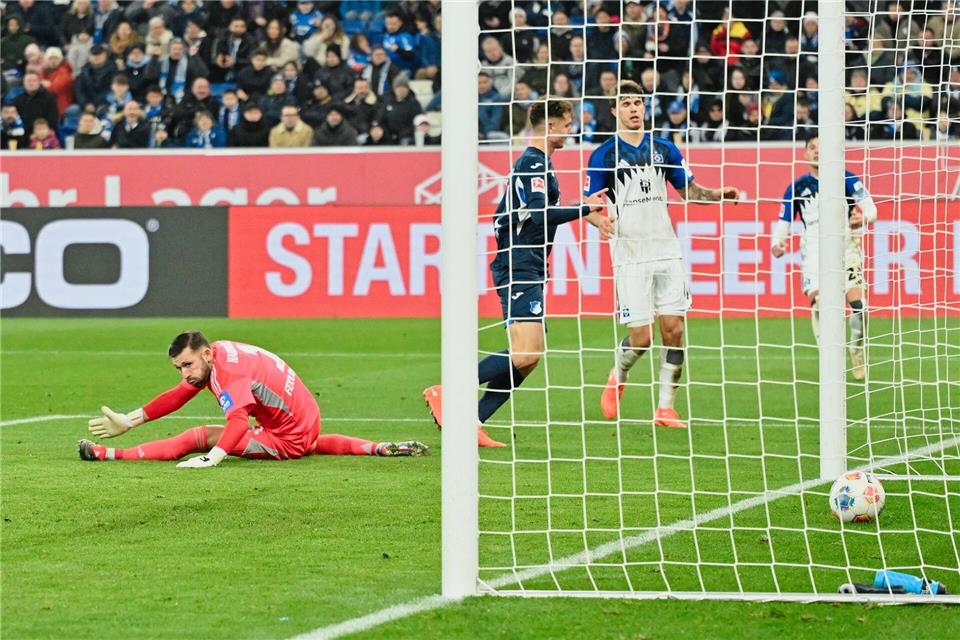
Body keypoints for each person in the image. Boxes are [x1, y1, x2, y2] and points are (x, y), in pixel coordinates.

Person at [423, 100, 612, 448]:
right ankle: (447, 392)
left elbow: (540, 210)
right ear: (551, 126)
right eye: (567, 124)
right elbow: (540, 214)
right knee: (525, 354)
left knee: (529, 358)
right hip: (519, 263)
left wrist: (590, 213)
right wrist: (587, 207)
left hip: (530, 264)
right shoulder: (532, 162)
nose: (570, 130)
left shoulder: (542, 165)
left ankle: (471, 422)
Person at [589, 81, 741, 427]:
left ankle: (665, 407)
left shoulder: (664, 149)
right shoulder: (604, 155)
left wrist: (718, 194)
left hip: (666, 250)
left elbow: (689, 191)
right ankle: (618, 374)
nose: (633, 109)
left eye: (638, 102)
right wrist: (599, 220)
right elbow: (591, 204)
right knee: (641, 337)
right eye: (625, 103)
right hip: (629, 253)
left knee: (674, 329)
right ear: (614, 111)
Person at [79, 331, 428, 466]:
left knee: (197, 437)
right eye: (177, 367)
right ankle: (377, 447)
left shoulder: (228, 374)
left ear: (205, 354)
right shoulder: (221, 355)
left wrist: (213, 458)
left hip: (287, 437)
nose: (184, 372)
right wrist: (132, 419)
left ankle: (109, 454)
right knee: (310, 442)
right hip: (307, 418)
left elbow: (237, 421)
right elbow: (179, 395)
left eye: (187, 364)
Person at [771, 135, 877, 379]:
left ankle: (856, 348)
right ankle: (829, 359)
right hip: (814, 253)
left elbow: (871, 207)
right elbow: (784, 221)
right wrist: (778, 243)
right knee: (820, 304)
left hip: (846, 249)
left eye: (822, 147)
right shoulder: (796, 188)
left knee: (860, 308)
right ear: (805, 154)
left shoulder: (846, 178)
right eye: (812, 148)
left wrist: (864, 217)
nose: (817, 152)